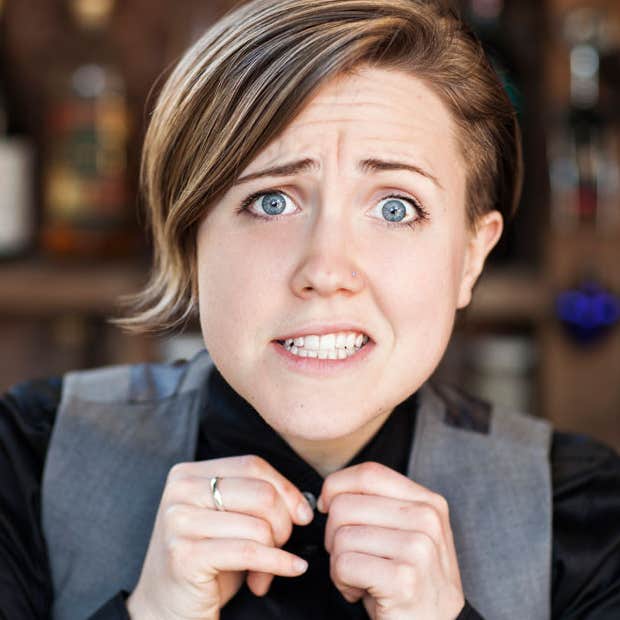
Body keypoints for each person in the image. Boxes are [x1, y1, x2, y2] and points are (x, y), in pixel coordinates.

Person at [1, 0, 619, 618]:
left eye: (395, 208)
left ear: (470, 258)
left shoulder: (585, 511)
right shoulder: (26, 460)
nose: (326, 271)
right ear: (191, 240)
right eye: (271, 201)